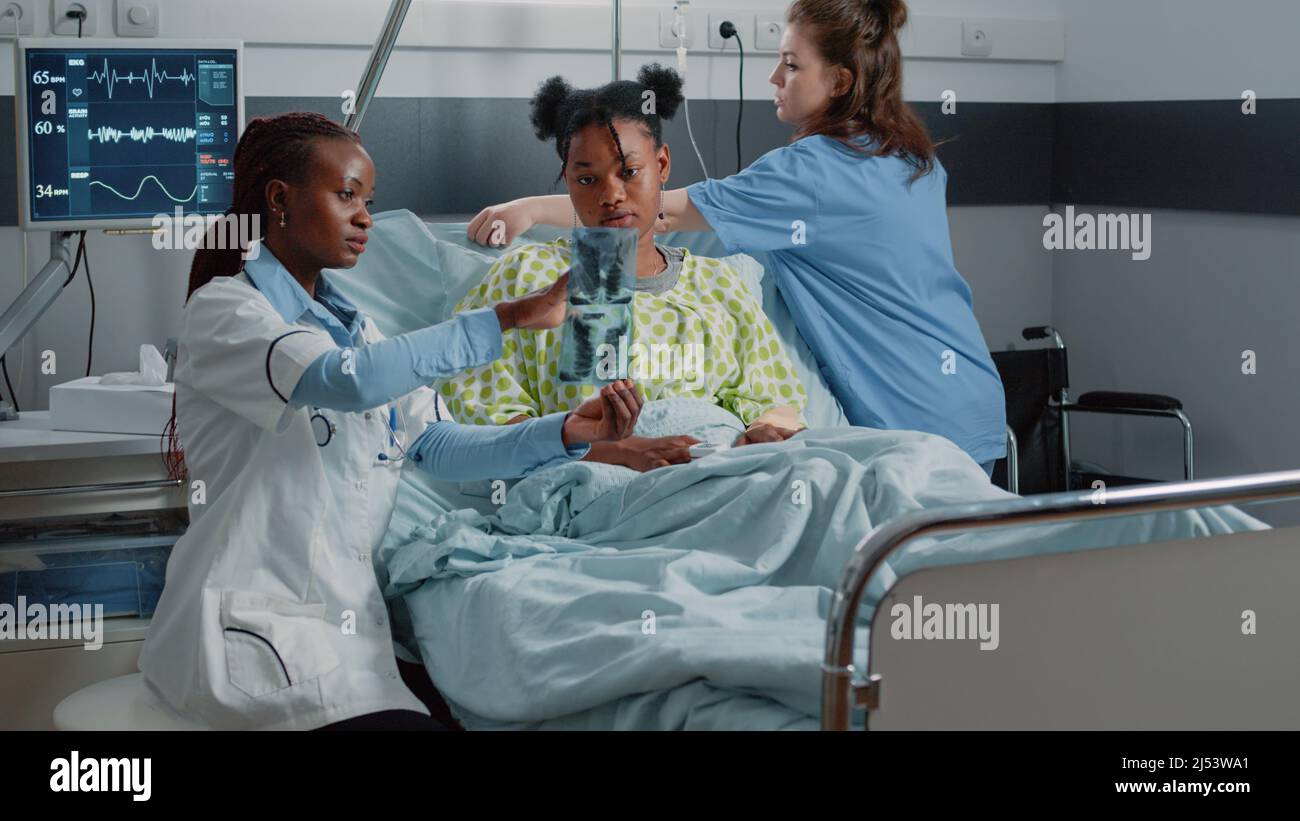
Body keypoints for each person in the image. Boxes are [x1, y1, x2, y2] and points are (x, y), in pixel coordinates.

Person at [139, 112, 644, 731]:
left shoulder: (355, 327)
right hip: (253, 644)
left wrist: (567, 433)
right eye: (346, 195)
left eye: (368, 201)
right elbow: (344, 381)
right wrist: (505, 318)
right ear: (279, 200)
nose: (364, 218)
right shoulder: (228, 312)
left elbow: (437, 445)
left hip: (346, 642)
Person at [468, 0, 1007, 476]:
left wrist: (530, 207)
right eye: (585, 177)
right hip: (969, 394)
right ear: (566, 175)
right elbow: (501, 415)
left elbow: (665, 214)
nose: (774, 76)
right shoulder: (912, 159)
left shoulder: (727, 274)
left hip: (907, 415)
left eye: (792, 65)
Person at [445, 65, 808, 471]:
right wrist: (616, 454)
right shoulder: (529, 278)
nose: (611, 195)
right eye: (587, 180)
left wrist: (765, 433)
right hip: (597, 480)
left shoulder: (719, 283)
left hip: (726, 468)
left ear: (663, 165)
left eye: (630, 172)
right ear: (567, 180)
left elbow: (776, 402)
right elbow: (486, 417)